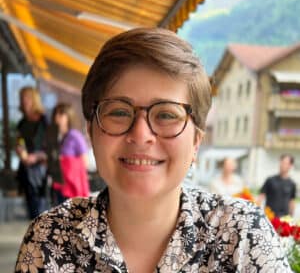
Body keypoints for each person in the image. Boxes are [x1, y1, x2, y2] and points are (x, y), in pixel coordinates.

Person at [15, 28, 291, 272]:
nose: (141, 134)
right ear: (90, 131)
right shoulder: (49, 239)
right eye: (120, 112)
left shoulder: (242, 234)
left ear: (196, 140)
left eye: (167, 115)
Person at [15, 86, 48, 219]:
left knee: (42, 213)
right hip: (26, 170)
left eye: (27, 97)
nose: (24, 101)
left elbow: (53, 147)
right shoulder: (21, 123)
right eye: (22, 98)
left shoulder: (44, 120)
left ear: (34, 100)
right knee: (32, 213)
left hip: (42, 171)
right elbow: (19, 142)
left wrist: (36, 156)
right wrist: (19, 150)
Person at [50, 102, 90, 205]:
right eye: (56, 114)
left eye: (61, 114)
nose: (57, 117)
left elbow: (84, 162)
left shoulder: (75, 135)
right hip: (60, 186)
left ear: (69, 116)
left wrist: (64, 161)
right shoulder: (59, 137)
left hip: (72, 189)